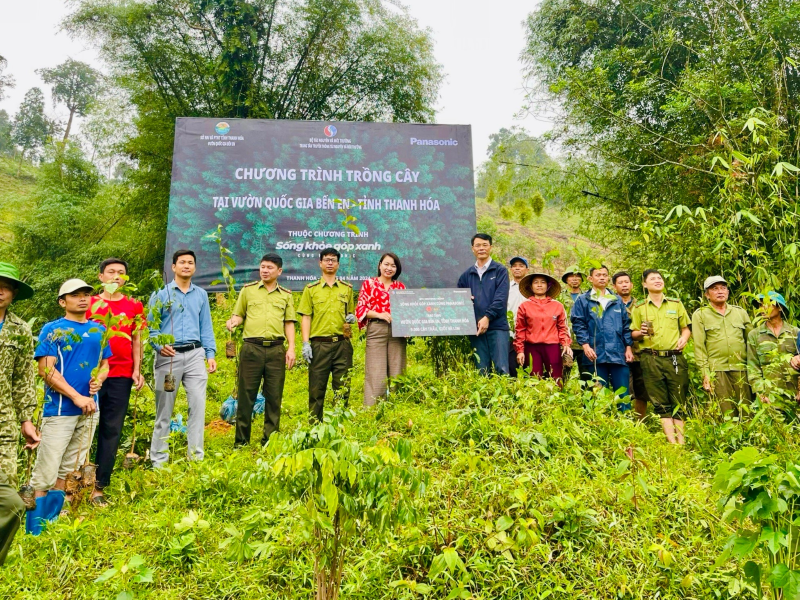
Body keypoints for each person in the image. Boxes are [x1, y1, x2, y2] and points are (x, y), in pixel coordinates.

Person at [30, 279, 110, 506]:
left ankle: (57, 514)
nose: (83, 298)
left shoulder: (99, 329)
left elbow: (105, 364)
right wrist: (76, 396)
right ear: (62, 302)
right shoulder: (53, 329)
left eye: (86, 294)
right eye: (75, 295)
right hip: (59, 409)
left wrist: (99, 379)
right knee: (48, 465)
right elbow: (46, 369)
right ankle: (36, 518)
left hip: (90, 409)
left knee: (70, 467)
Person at [148, 250, 217, 468]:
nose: (186, 266)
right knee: (164, 409)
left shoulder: (201, 295)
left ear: (195, 268)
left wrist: (210, 353)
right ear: (173, 267)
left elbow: (206, 326)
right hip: (169, 357)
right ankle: (159, 460)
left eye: (190, 263)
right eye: (182, 262)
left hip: (195, 354)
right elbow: (152, 328)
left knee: (198, 406)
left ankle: (195, 458)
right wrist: (160, 346)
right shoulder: (161, 294)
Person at [85, 258, 145, 506]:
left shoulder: (134, 306)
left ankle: (99, 486)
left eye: (121, 273)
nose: (116, 276)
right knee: (85, 428)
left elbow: (137, 339)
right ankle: (75, 483)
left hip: (121, 374)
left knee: (112, 429)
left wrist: (137, 370)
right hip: (90, 376)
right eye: (111, 272)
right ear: (101, 277)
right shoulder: (89, 304)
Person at [226, 254, 296, 447]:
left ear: (279, 271)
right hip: (251, 348)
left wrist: (291, 348)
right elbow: (238, 315)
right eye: (262, 267)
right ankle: (241, 442)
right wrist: (233, 322)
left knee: (274, 396)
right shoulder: (248, 291)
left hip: (275, 350)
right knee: (246, 395)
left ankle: (270, 440)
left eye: (270, 268)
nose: (265, 270)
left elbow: (289, 322)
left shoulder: (286, 295)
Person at [0, 263, 38, 562]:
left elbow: (24, 378)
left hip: (4, 422)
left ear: (13, 293)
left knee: (7, 496)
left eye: (6, 286)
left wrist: (26, 419)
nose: (0, 291)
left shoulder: (20, 330)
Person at [630, 269, 691, 444]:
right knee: (660, 400)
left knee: (678, 397)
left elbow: (686, 327)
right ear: (644, 284)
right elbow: (632, 333)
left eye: (659, 278)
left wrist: (684, 338)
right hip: (651, 358)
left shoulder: (675, 304)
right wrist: (640, 333)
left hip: (674, 357)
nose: (657, 280)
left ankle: (681, 441)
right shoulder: (639, 307)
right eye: (652, 279)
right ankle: (672, 443)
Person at [298, 248, 356, 422]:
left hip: (342, 344)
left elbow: (350, 313)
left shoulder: (347, 289)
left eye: (333, 260)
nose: (330, 263)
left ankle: (339, 425)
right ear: (320, 263)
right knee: (316, 389)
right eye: (326, 260)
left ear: (338, 264)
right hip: (319, 345)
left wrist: (352, 317)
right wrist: (305, 343)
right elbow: (306, 317)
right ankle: (315, 426)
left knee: (342, 387)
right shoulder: (311, 289)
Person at [571, 266, 634, 407]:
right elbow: (578, 324)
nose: (602, 277)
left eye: (605, 275)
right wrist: (585, 346)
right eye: (598, 275)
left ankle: (625, 423)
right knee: (596, 395)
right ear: (590, 278)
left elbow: (625, 325)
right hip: (594, 353)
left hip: (618, 354)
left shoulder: (616, 300)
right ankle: (598, 424)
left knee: (623, 395)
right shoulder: (583, 300)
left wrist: (628, 347)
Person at [692, 276, 752, 418]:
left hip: (741, 368)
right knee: (726, 410)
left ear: (728, 292)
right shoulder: (700, 315)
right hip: (717, 369)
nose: (720, 291)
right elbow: (699, 347)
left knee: (748, 410)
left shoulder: (740, 312)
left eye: (723, 288)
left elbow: (751, 342)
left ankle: (750, 438)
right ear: (707, 294)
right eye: (715, 288)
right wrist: (705, 373)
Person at [356, 253, 407, 406]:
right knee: (375, 371)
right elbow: (361, 309)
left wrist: (407, 327)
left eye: (393, 265)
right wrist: (380, 314)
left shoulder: (400, 287)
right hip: (376, 329)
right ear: (379, 265)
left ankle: (398, 407)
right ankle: (372, 410)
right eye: (386, 264)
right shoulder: (369, 284)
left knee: (397, 370)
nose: (389, 268)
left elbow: (407, 311)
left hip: (397, 331)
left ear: (397, 269)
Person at [457, 234, 510, 375]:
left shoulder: (500, 271)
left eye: (485, 245)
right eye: (478, 245)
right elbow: (460, 301)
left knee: (502, 369)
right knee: (481, 371)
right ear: (472, 249)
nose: (481, 248)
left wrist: (487, 317)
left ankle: (503, 398)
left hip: (497, 327)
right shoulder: (466, 275)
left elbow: (501, 299)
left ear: (490, 247)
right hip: (476, 330)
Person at [514, 273, 572, 385]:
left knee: (556, 377)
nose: (539, 285)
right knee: (534, 378)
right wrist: (520, 350)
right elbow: (520, 330)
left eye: (543, 282)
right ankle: (537, 401)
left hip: (552, 346)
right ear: (531, 287)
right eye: (536, 282)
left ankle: (557, 401)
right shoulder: (524, 306)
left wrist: (565, 344)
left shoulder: (557, 306)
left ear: (548, 286)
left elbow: (562, 327)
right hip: (531, 347)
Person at [747, 291, 799, 404]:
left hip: (794, 397)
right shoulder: (755, 335)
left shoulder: (795, 333)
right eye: (760, 305)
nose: (763, 308)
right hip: (769, 398)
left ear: (779, 308)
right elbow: (753, 368)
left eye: (767, 303)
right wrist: (760, 393)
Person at [612, 271, 651, 420]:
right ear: (614, 286)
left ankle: (639, 421)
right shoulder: (611, 304)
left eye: (626, 282)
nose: (624, 285)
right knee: (624, 388)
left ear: (632, 285)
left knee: (642, 389)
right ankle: (625, 419)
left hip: (640, 352)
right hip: (619, 353)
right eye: (620, 282)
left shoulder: (642, 305)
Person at [561, 265, 590, 382]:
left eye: (577, 276)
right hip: (565, 342)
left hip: (584, 342)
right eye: (571, 276)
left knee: (587, 374)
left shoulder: (588, 296)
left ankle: (588, 399)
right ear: (566, 279)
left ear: (582, 279)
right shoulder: (560, 295)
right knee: (563, 372)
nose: (574, 279)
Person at [507, 256, 529, 375]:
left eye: (521, 266)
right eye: (514, 266)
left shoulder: (532, 289)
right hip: (511, 334)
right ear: (511, 269)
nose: (517, 268)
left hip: (530, 334)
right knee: (511, 367)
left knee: (529, 368)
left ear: (527, 270)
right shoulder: (505, 288)